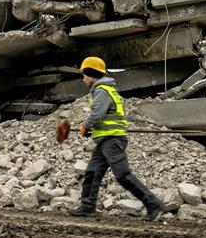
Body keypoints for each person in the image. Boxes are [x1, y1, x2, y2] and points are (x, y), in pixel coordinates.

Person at [68, 56, 179, 221]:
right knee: (92, 172)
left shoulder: (101, 90)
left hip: (112, 140)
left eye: (84, 74)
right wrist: (92, 130)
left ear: (92, 74)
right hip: (107, 139)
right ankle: (87, 207)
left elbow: (97, 114)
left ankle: (152, 203)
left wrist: (85, 126)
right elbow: (108, 118)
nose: (83, 78)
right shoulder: (107, 89)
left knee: (122, 175)